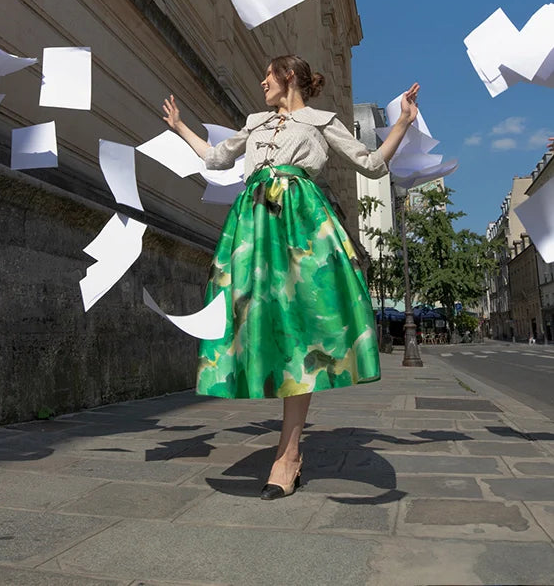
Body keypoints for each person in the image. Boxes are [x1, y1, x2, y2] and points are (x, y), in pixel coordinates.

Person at [163, 55, 419, 499]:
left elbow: (372, 164)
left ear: (288, 78)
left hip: (300, 223)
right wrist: (180, 126)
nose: (261, 81)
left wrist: (402, 124)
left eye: (268, 75)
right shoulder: (255, 122)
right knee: (247, 319)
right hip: (254, 226)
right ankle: (283, 444)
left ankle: (288, 454)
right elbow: (216, 157)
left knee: (303, 327)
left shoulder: (321, 122)